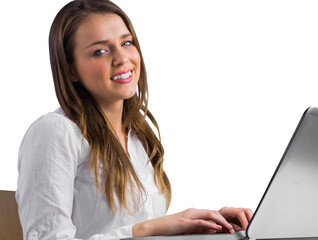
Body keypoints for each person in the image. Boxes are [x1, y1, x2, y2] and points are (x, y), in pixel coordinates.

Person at [16, 0, 253, 239]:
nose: (122, 58)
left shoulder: (138, 134)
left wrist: (203, 225)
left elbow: (137, 228)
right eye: (100, 51)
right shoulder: (55, 132)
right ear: (71, 70)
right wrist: (147, 229)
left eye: (126, 43)